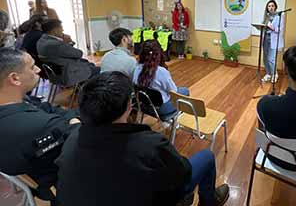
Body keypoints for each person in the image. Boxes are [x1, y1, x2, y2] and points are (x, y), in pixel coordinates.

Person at [56, 71, 229, 206]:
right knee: (206, 157)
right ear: (129, 106)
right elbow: (182, 172)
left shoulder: (73, 138)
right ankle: (209, 201)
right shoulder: (150, 144)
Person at [0, 48, 80, 203]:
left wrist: (70, 119)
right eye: (31, 67)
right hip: (59, 184)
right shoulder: (38, 126)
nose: (38, 69)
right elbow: (76, 133)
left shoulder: (16, 100)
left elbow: (50, 108)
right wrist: (73, 121)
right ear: (15, 78)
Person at [133, 40, 189, 117]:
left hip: (144, 106)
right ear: (158, 54)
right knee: (185, 90)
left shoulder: (136, 68)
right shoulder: (161, 71)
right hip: (161, 109)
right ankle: (175, 119)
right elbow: (173, 91)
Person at [37, 19, 100, 85]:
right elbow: (79, 54)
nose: (63, 30)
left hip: (56, 75)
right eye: (61, 27)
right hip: (69, 73)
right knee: (99, 69)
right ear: (54, 30)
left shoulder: (41, 41)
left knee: (91, 65)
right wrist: (69, 42)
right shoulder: (56, 44)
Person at [261, 0, 284, 83]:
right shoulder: (266, 16)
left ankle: (275, 74)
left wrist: (272, 27)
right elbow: (263, 26)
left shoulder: (279, 16)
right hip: (265, 39)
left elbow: (280, 29)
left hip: (273, 39)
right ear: (267, 8)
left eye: (272, 6)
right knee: (265, 58)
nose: (271, 7)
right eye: (269, 6)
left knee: (271, 58)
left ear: (275, 7)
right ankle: (268, 73)